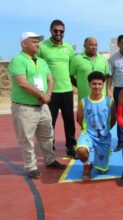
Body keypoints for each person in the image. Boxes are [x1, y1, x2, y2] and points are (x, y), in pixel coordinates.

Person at [9, 32, 66, 179]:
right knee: (26, 139)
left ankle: (50, 160)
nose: (37, 44)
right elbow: (23, 83)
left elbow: (50, 79)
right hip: (25, 108)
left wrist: (47, 94)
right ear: (24, 44)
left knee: (48, 135)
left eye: (38, 42)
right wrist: (42, 95)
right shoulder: (18, 60)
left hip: (42, 106)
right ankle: (31, 167)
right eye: (34, 41)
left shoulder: (41, 61)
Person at [37, 19, 77, 158]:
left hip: (66, 90)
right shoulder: (42, 47)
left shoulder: (69, 48)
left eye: (61, 31)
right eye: (56, 30)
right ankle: (50, 150)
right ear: (50, 31)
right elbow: (36, 67)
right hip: (50, 92)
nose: (58, 33)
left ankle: (71, 147)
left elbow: (72, 69)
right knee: (49, 122)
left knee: (69, 121)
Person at [75, 71, 116, 181]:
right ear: (89, 85)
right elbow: (79, 120)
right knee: (81, 151)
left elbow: (113, 120)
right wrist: (87, 130)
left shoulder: (109, 102)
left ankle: (99, 164)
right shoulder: (83, 102)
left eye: (99, 84)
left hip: (103, 137)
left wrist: (105, 131)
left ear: (103, 85)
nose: (97, 86)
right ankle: (87, 165)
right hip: (88, 134)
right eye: (94, 84)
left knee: (102, 171)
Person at [70, 37, 109, 101]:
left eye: (96, 45)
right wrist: (80, 85)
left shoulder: (103, 59)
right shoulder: (77, 59)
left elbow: (106, 75)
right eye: (91, 45)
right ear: (84, 46)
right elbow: (71, 76)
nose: (94, 47)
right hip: (84, 98)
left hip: (101, 99)